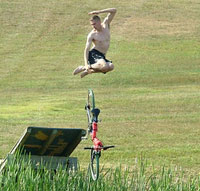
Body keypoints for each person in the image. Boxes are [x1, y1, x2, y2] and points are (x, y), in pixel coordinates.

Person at [73, 8, 117, 78]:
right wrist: (86, 63)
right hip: (94, 54)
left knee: (111, 67)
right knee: (104, 65)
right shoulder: (92, 34)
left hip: (102, 55)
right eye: (92, 25)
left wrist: (99, 11)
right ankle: (84, 67)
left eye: (94, 24)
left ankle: (87, 70)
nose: (93, 26)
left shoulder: (106, 25)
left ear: (99, 22)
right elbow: (86, 49)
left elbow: (114, 10)